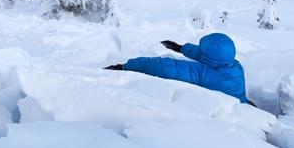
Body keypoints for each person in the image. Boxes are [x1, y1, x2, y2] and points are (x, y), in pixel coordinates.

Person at [105, 32, 253, 105]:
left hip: (232, 112)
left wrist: (127, 66)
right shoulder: (233, 64)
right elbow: (206, 56)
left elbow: (167, 68)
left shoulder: (205, 73)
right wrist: (181, 48)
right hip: (244, 102)